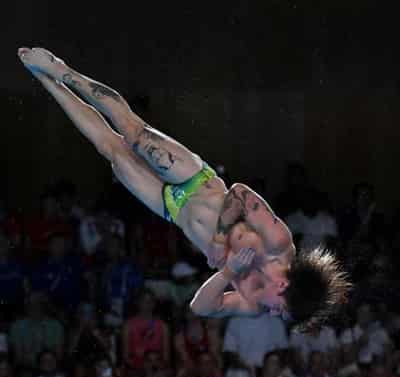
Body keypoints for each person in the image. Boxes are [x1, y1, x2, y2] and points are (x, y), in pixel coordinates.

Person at [18, 47, 350, 327]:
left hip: (171, 210)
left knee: (110, 150)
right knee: (132, 131)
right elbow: (239, 192)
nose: (274, 315)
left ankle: (46, 82)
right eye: (282, 310)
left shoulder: (254, 301)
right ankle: (62, 71)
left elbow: (200, 308)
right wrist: (221, 237)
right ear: (283, 285)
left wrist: (227, 274)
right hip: (194, 180)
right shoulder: (277, 243)